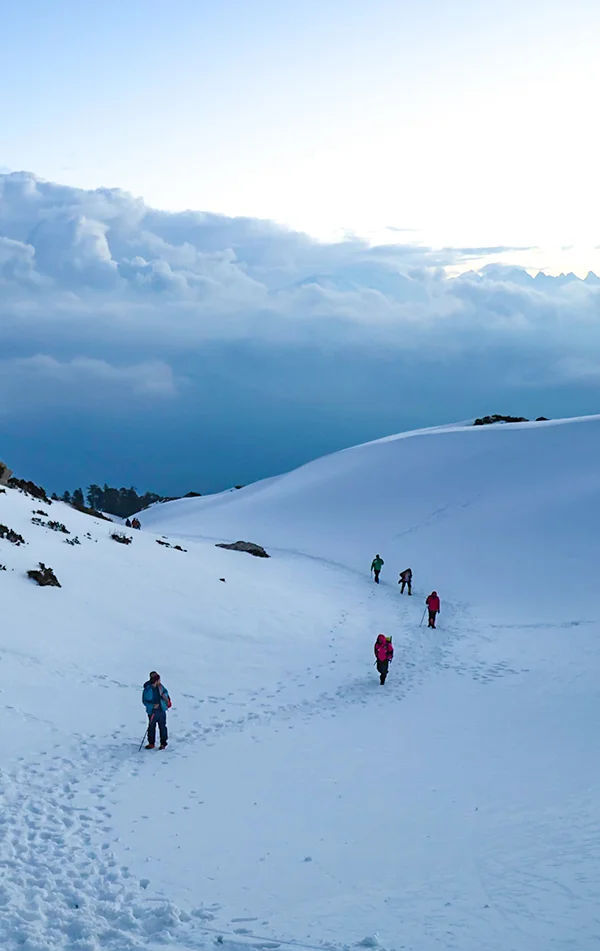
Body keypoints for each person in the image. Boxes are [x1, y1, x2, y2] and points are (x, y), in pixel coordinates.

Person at [142, 671, 171, 749]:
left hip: (161, 710)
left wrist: (164, 696)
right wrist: (152, 705)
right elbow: (145, 701)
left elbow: (166, 693)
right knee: (151, 727)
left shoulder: (161, 687)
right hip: (152, 712)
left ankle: (163, 743)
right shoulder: (147, 689)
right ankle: (151, 743)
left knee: (162, 727)